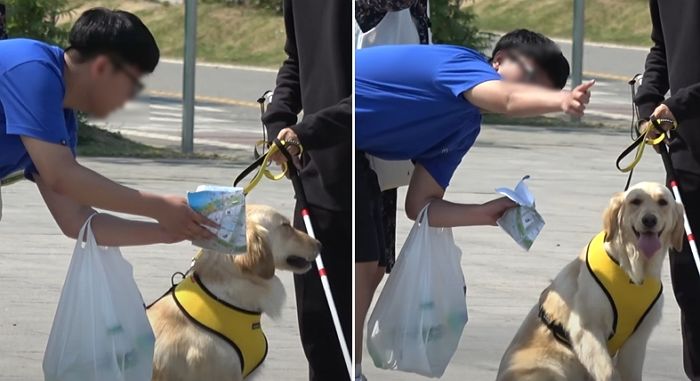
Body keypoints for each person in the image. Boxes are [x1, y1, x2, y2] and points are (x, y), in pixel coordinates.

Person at [356, 30, 592, 368]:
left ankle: (349, 366)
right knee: (360, 264)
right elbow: (506, 98)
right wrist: (562, 101)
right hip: (324, 119)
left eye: (539, 93)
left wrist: (486, 213)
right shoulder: (461, 64)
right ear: (498, 61)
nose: (527, 95)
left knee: (374, 267)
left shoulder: (466, 125)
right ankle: (344, 368)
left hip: (354, 151)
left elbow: (420, 206)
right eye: (529, 81)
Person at [0, 8, 216, 246]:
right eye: (132, 83)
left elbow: (76, 220)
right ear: (102, 68)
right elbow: (61, 177)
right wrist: (159, 206)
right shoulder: (31, 68)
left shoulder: (60, 116)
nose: (130, 98)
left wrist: (169, 232)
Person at [262, 0, 351, 379]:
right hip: (314, 171)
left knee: (345, 327)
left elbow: (383, 89)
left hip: (368, 172)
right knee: (319, 323)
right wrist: (278, 122)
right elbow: (295, 61)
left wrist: (304, 132)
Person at [354, 1, 429, 380]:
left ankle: (350, 358)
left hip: (390, 145)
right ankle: (346, 361)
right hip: (355, 143)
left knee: (380, 262)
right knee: (363, 261)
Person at [634, 1, 700, 378]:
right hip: (686, 152)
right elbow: (661, 47)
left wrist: (680, 104)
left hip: (684, 115)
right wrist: (649, 99)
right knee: (690, 285)